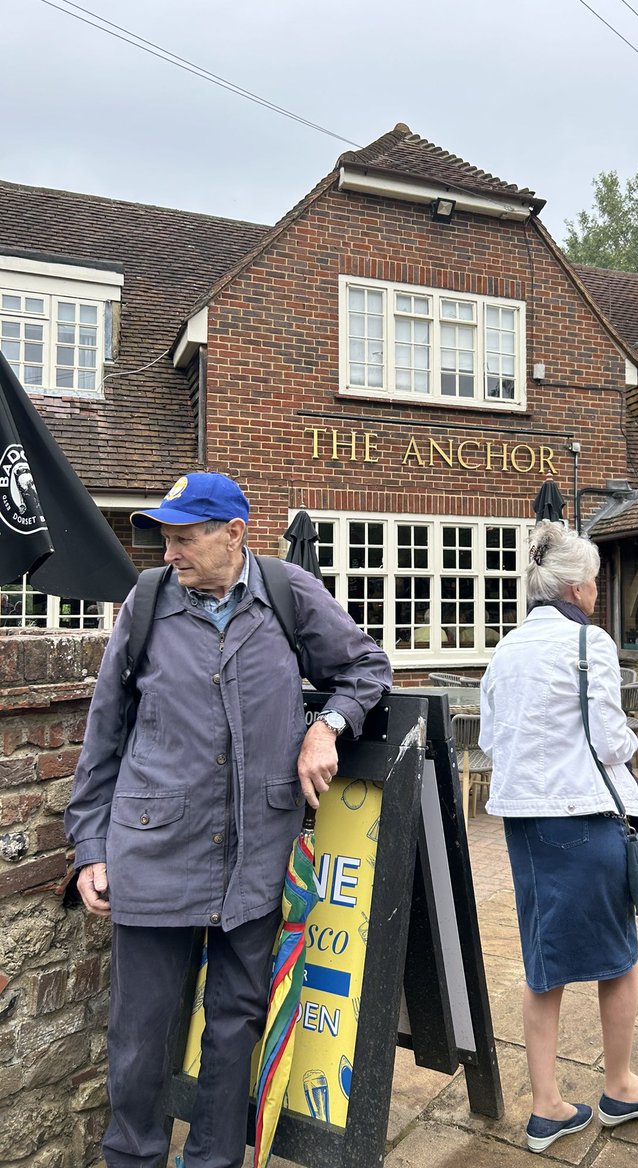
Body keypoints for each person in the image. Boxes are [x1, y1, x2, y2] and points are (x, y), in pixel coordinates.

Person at [64, 472, 392, 1168]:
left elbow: (365, 665)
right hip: (152, 848)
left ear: (233, 534)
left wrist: (327, 726)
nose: (169, 553)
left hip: (256, 849)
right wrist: (90, 844)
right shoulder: (148, 602)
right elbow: (104, 733)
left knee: (236, 1022)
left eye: (184, 538)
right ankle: (134, 1158)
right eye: (166, 539)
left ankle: (214, 1160)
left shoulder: (285, 593)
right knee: (140, 1031)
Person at [479, 523, 638, 1154]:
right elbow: (612, 740)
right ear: (574, 584)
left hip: (525, 825)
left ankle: (546, 1106)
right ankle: (620, 1086)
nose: (596, 589)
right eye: (592, 579)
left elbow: (488, 740)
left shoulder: (505, 649)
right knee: (617, 957)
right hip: (584, 817)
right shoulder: (591, 644)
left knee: (545, 959)